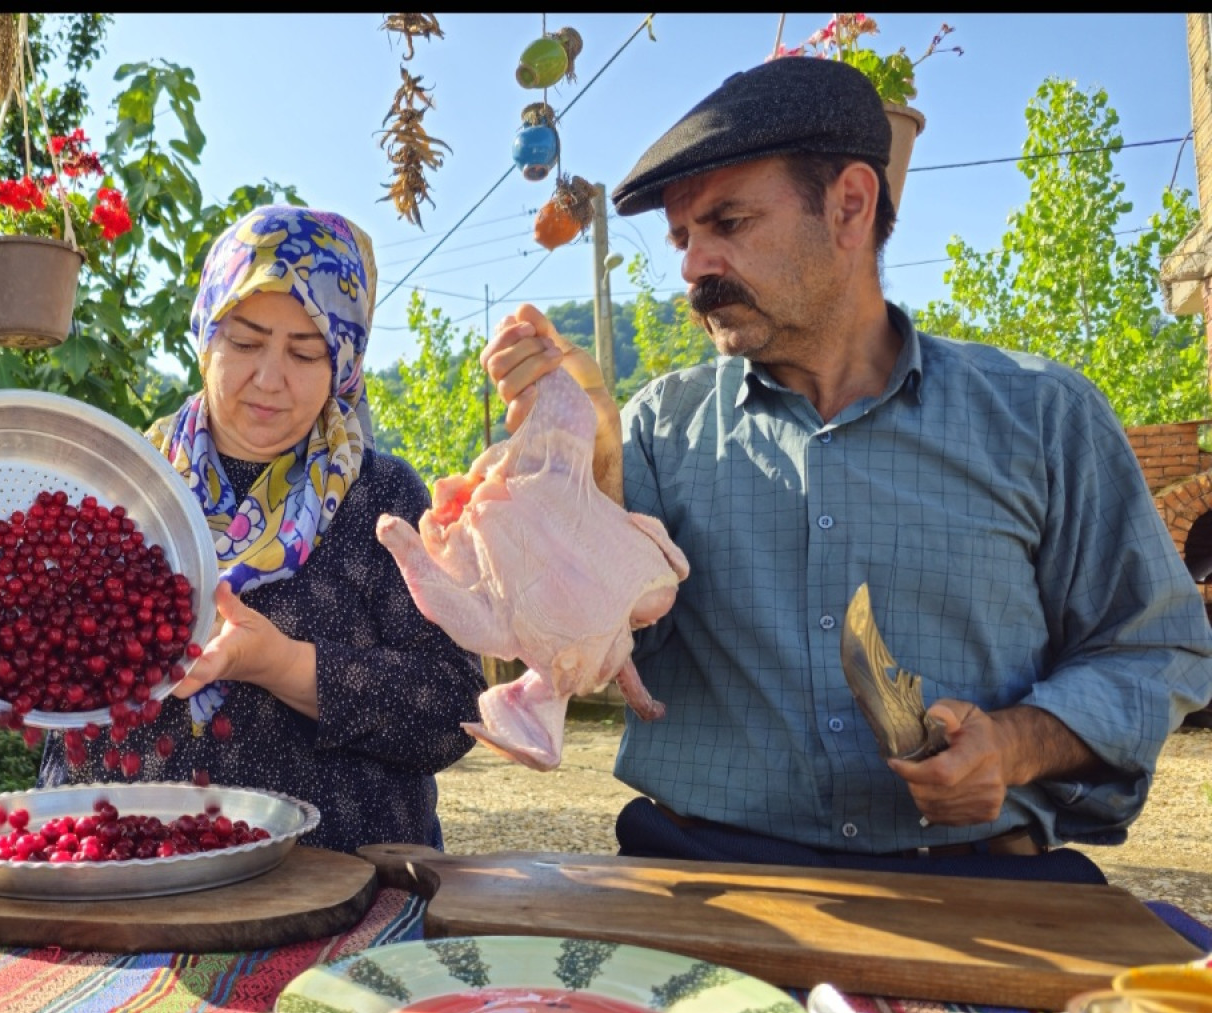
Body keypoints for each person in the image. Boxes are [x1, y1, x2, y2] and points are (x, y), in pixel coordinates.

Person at [480, 56, 1212, 884]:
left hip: (977, 884)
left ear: (849, 207)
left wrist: (1014, 744)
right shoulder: (659, 429)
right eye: (685, 238)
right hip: (704, 882)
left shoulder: (1044, 417)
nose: (691, 266)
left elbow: (1155, 647)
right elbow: (613, 648)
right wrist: (590, 460)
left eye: (728, 223)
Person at [0, 205, 482, 853]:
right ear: (206, 335)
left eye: (306, 353)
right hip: (117, 867)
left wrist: (281, 665)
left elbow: (454, 712)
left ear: (345, 364)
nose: (269, 378)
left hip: (336, 882)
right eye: (246, 341)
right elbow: (29, 653)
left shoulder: (382, 498)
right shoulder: (118, 487)